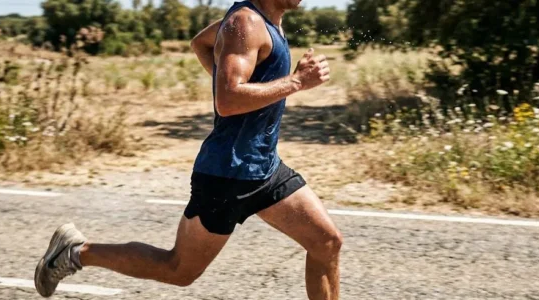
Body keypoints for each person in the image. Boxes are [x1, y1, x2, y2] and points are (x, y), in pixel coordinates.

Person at [33, 1, 342, 299]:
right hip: (228, 174)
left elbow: (201, 44)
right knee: (179, 269)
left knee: (326, 242)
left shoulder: (261, 21)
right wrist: (296, 82)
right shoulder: (245, 23)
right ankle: (75, 252)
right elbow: (229, 99)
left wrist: (238, 85)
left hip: (265, 168)